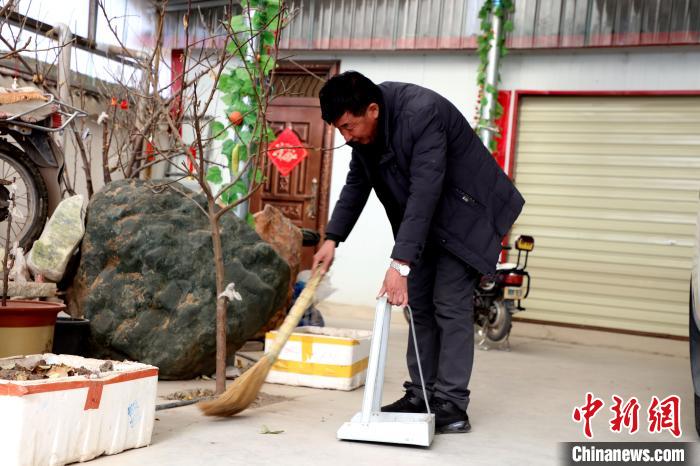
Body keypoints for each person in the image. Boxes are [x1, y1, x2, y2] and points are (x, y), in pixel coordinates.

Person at [312, 71, 525, 433]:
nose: (346, 137)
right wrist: (333, 237)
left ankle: (452, 405)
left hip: (466, 213)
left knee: (449, 304)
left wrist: (400, 262)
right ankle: (422, 393)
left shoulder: (421, 113)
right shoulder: (364, 136)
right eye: (340, 130)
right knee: (419, 306)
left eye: (349, 127)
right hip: (426, 221)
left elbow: (426, 189)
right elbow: (357, 183)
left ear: (373, 109)